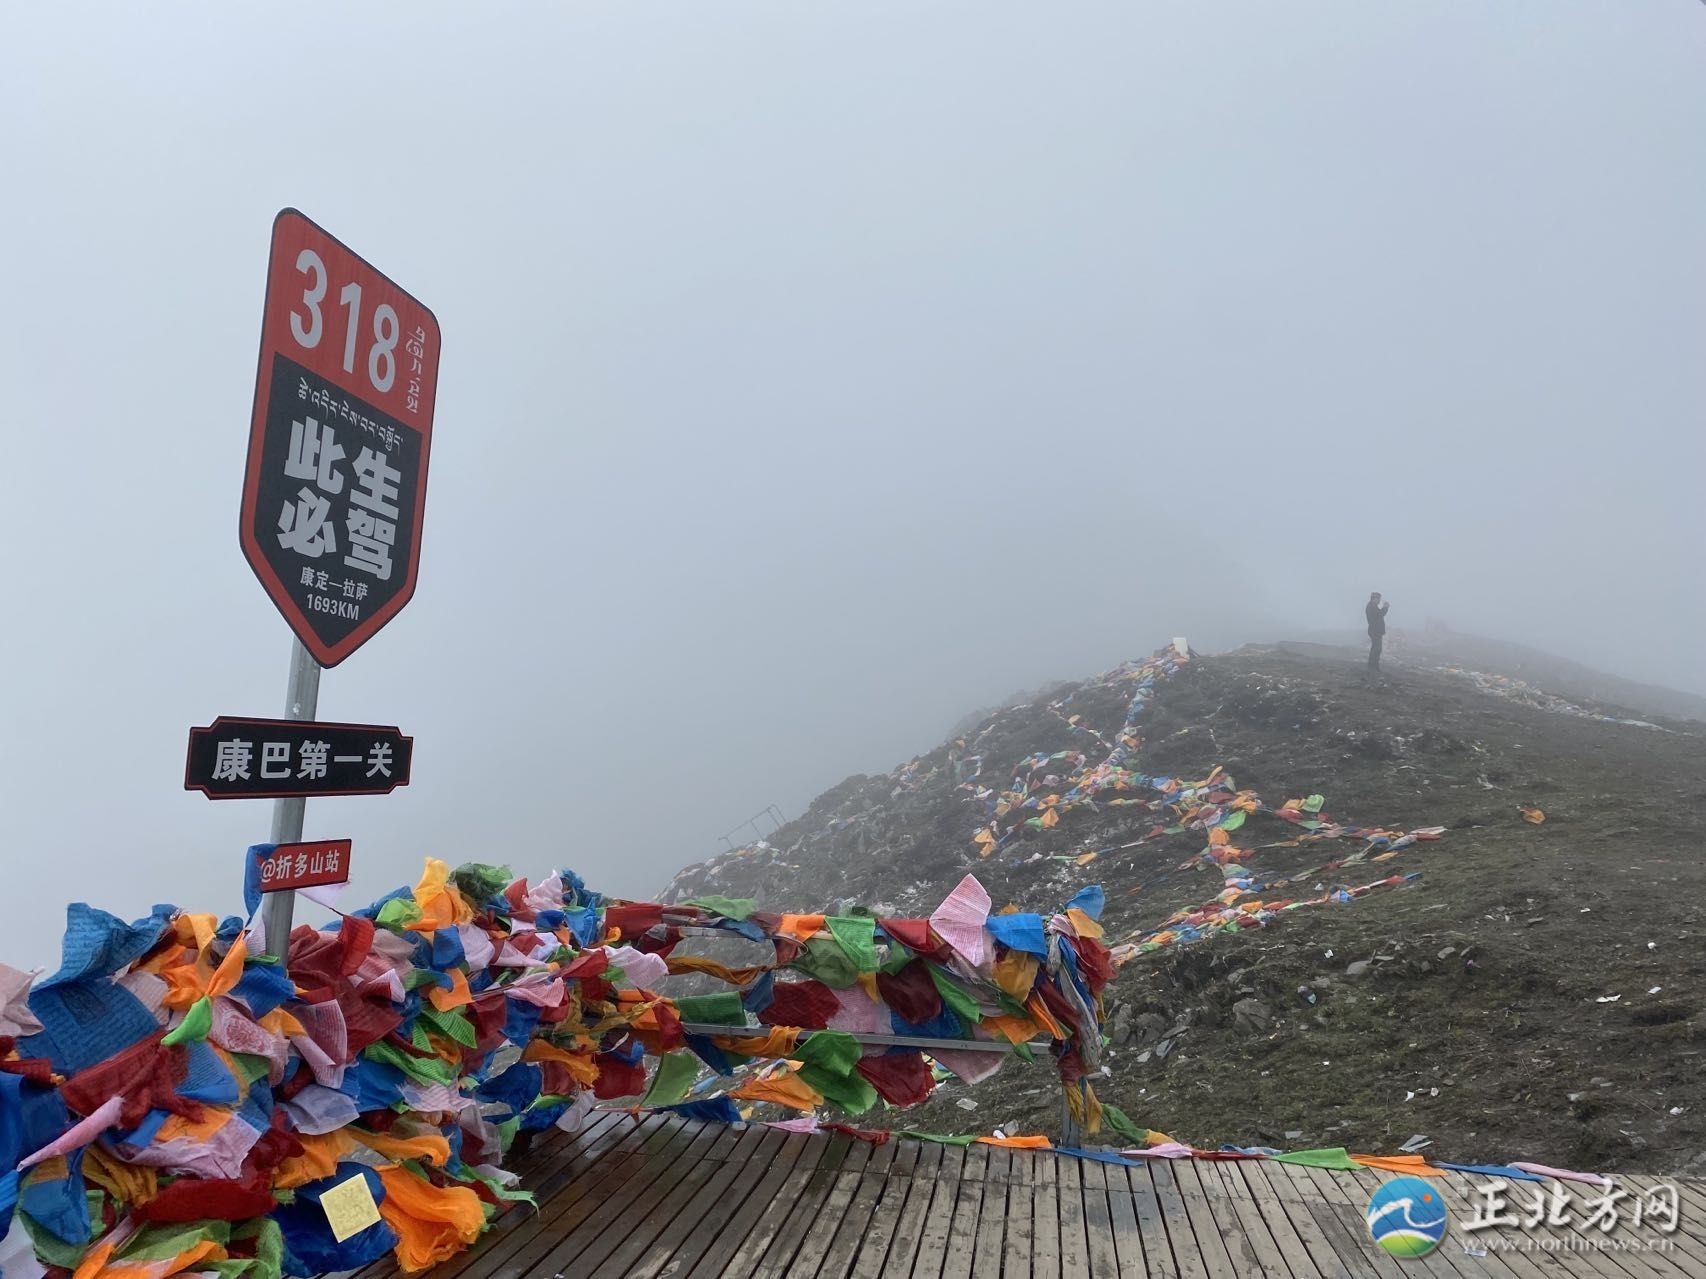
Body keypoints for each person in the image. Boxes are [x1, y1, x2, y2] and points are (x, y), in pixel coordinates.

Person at [1366, 592, 1390, 672]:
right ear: (1374, 598)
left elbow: (1379, 615)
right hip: (1375, 631)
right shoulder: (1372, 606)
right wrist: (1385, 607)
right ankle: (1373, 666)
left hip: (1375, 630)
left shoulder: (1372, 606)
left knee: (1376, 649)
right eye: (1378, 599)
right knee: (1376, 649)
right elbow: (1380, 614)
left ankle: (1373, 666)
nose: (1379, 600)